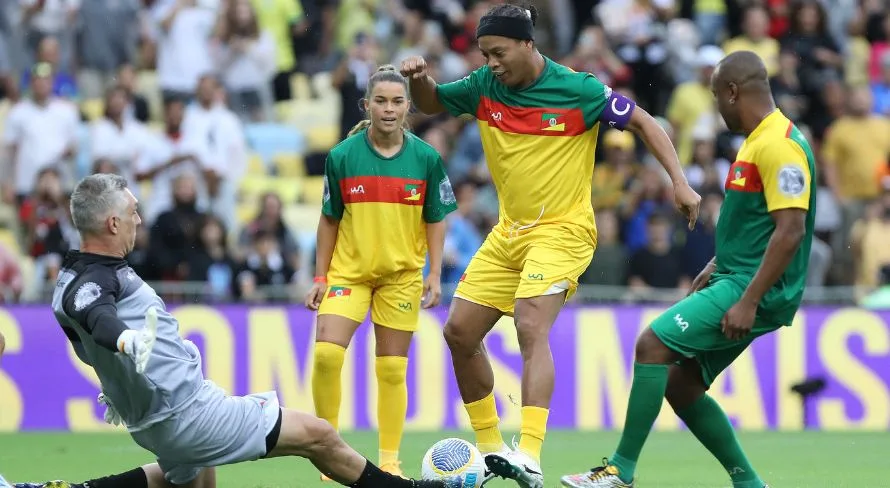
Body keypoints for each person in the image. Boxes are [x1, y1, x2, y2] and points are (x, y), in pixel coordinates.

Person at [399, 3, 701, 488]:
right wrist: (418, 80)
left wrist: (679, 182)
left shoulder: (578, 90)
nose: (491, 62)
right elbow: (432, 102)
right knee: (458, 333)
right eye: (484, 54)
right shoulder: (483, 86)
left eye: (498, 52)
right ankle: (491, 452)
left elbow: (643, 121)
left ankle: (531, 455)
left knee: (529, 323)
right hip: (509, 232)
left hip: (564, 229)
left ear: (527, 44)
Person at [14, 174, 458, 488]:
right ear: (112, 224)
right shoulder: (93, 284)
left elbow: (85, 320)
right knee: (319, 435)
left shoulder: (74, 276)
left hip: (154, 419)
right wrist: (126, 340)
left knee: (190, 481)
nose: (139, 219)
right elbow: (94, 312)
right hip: (187, 414)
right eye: (133, 212)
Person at [560, 50, 815, 488]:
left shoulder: (780, 146)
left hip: (753, 288)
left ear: (733, 92)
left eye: (717, 97)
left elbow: (790, 231)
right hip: (737, 277)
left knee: (651, 344)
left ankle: (620, 468)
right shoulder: (759, 140)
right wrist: (718, 262)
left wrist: (749, 299)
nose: (716, 108)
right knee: (680, 384)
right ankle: (750, 484)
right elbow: (758, 222)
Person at [304, 64, 456, 479]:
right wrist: (320, 278)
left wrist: (435, 273)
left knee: (391, 369)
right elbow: (328, 219)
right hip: (348, 275)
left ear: (409, 107)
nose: (389, 109)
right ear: (366, 105)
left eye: (397, 101)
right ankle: (327, 449)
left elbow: (437, 218)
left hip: (401, 277)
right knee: (325, 355)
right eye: (380, 101)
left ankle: (389, 459)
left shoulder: (426, 158)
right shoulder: (341, 156)